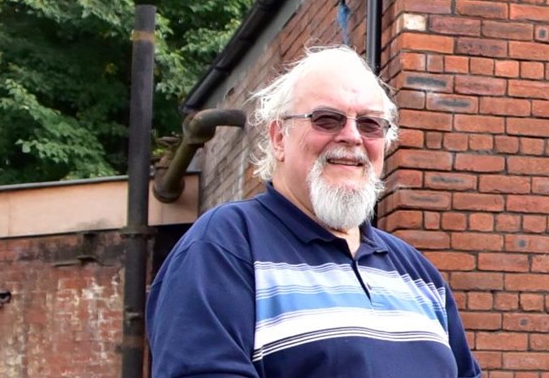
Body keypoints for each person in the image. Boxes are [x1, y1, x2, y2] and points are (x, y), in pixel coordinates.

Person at [147, 47, 480, 377]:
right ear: (279, 138)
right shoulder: (225, 248)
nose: (352, 137)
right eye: (327, 119)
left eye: (370, 124)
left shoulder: (418, 274)